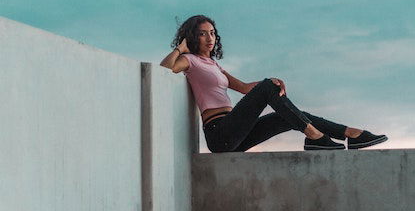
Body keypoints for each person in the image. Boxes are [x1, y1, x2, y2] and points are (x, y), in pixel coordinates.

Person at [160, 14, 388, 153]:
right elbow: (165, 68)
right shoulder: (189, 61)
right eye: (202, 34)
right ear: (192, 36)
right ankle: (315, 136)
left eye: (212, 33)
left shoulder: (213, 65)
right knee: (269, 89)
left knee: (284, 116)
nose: (209, 38)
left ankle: (348, 133)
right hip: (219, 133)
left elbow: (245, 88)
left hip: (236, 133)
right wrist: (181, 48)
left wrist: (271, 83)